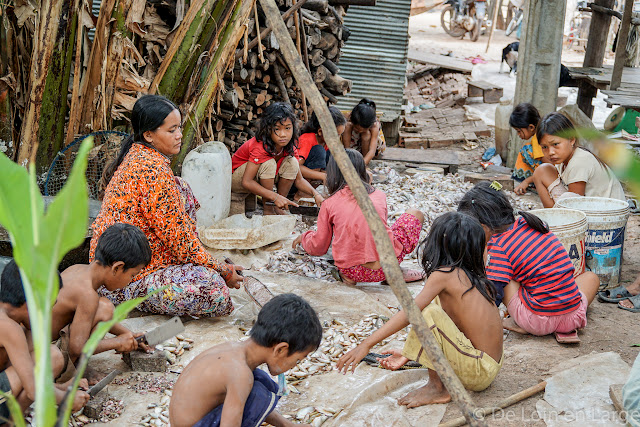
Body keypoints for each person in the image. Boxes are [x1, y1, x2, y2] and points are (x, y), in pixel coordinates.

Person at [92, 94, 243, 318]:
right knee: (212, 288)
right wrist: (222, 271)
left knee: (180, 186)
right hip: (122, 278)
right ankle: (127, 299)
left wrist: (210, 262)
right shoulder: (152, 170)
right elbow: (181, 243)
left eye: (179, 128)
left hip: (140, 256)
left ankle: (194, 265)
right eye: (171, 130)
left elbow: (178, 235)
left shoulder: (142, 156)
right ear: (149, 135)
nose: (179, 136)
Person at [337, 212, 503, 407]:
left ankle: (438, 388)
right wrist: (409, 353)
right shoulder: (473, 275)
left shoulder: (444, 275)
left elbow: (409, 313)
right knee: (433, 306)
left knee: (427, 313)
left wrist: (366, 344)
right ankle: (422, 363)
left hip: (478, 372)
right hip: (488, 366)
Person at [459, 182, 600, 342]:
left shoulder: (498, 245)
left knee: (505, 277)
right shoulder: (531, 222)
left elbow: (495, 293)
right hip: (574, 317)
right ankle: (563, 324)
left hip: (537, 321)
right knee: (591, 278)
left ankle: (522, 323)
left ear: (483, 227)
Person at [169, 294, 322, 427]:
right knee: (257, 393)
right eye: (298, 360)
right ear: (280, 349)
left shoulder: (235, 350)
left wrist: (285, 424)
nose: (295, 365)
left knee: (260, 382)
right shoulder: (241, 375)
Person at [292, 149, 424, 285]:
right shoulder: (379, 195)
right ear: (363, 170)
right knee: (415, 213)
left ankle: (348, 279)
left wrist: (305, 237)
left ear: (332, 174)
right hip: (387, 267)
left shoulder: (329, 203)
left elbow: (319, 247)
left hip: (352, 271)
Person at [53, 223, 153, 383]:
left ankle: (79, 366)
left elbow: (93, 315)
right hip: (50, 357)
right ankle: (72, 372)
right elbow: (77, 348)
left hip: (48, 339)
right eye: (132, 275)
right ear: (117, 267)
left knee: (104, 307)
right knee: (103, 307)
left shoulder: (78, 270)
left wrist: (127, 334)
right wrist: (117, 342)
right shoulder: (87, 295)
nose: (131, 281)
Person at [0, 261, 89, 422]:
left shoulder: (8, 315)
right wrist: (66, 399)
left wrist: (61, 388)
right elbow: (33, 389)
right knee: (51, 357)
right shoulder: (8, 327)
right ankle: (10, 423)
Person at [231, 102, 324, 214]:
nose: (283, 134)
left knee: (292, 162)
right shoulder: (260, 146)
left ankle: (278, 206)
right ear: (268, 129)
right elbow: (247, 181)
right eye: (277, 129)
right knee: (269, 163)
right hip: (236, 181)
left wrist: (316, 194)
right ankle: (268, 208)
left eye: (287, 128)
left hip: (257, 178)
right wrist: (275, 197)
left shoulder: (289, 146)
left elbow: (299, 180)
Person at [532, 112, 625, 208]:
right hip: (592, 208)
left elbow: (574, 205)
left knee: (568, 197)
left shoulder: (579, 161)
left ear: (572, 140)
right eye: (544, 147)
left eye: (555, 144)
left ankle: (553, 217)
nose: (550, 152)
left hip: (607, 215)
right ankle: (552, 214)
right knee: (542, 171)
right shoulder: (563, 159)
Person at [297, 106, 347, 183]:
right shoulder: (307, 139)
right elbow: (295, 167)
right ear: (320, 131)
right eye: (335, 135)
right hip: (297, 181)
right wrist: (322, 176)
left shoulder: (326, 142)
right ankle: (302, 193)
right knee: (319, 151)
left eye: (340, 135)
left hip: (312, 178)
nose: (337, 139)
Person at [510, 103, 547, 195]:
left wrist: (527, 181)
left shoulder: (537, 141)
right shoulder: (544, 130)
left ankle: (535, 181)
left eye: (519, 131)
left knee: (525, 150)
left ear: (531, 127)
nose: (518, 135)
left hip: (552, 173)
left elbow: (548, 166)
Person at [341, 98, 386, 166]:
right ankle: (349, 155)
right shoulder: (349, 118)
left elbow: (372, 151)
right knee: (347, 126)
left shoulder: (374, 125)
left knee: (366, 134)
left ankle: (364, 161)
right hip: (354, 144)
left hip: (369, 145)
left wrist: (362, 166)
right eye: (357, 128)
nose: (359, 131)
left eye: (362, 129)